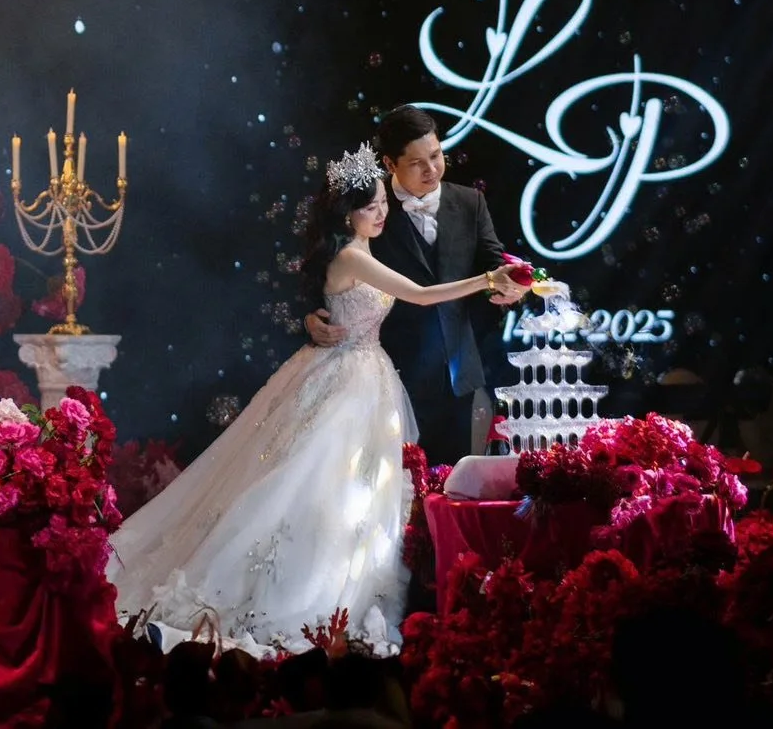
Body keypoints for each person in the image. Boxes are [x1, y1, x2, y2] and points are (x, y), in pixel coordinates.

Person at [106, 142, 525, 653]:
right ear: (347, 212)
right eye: (371, 206)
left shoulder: (359, 250)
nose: (381, 212)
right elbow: (418, 295)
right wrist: (488, 279)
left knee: (346, 491)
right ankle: (308, 598)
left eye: (382, 203)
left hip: (361, 373)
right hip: (346, 379)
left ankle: (349, 595)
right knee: (310, 484)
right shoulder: (351, 254)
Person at [308, 105, 509, 460]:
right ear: (389, 164)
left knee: (455, 490)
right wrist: (310, 315)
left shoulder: (469, 202)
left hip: (460, 376)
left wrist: (509, 288)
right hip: (390, 377)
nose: (431, 169)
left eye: (436, 155)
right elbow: (323, 273)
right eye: (417, 162)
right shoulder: (368, 206)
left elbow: (496, 264)